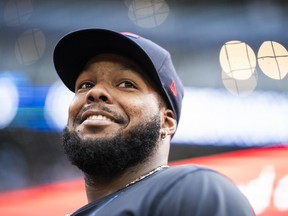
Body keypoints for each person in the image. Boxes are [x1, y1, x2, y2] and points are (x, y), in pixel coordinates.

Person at [53, 28, 255, 216]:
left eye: (126, 84)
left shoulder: (193, 190)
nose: (95, 92)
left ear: (166, 122)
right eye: (85, 84)